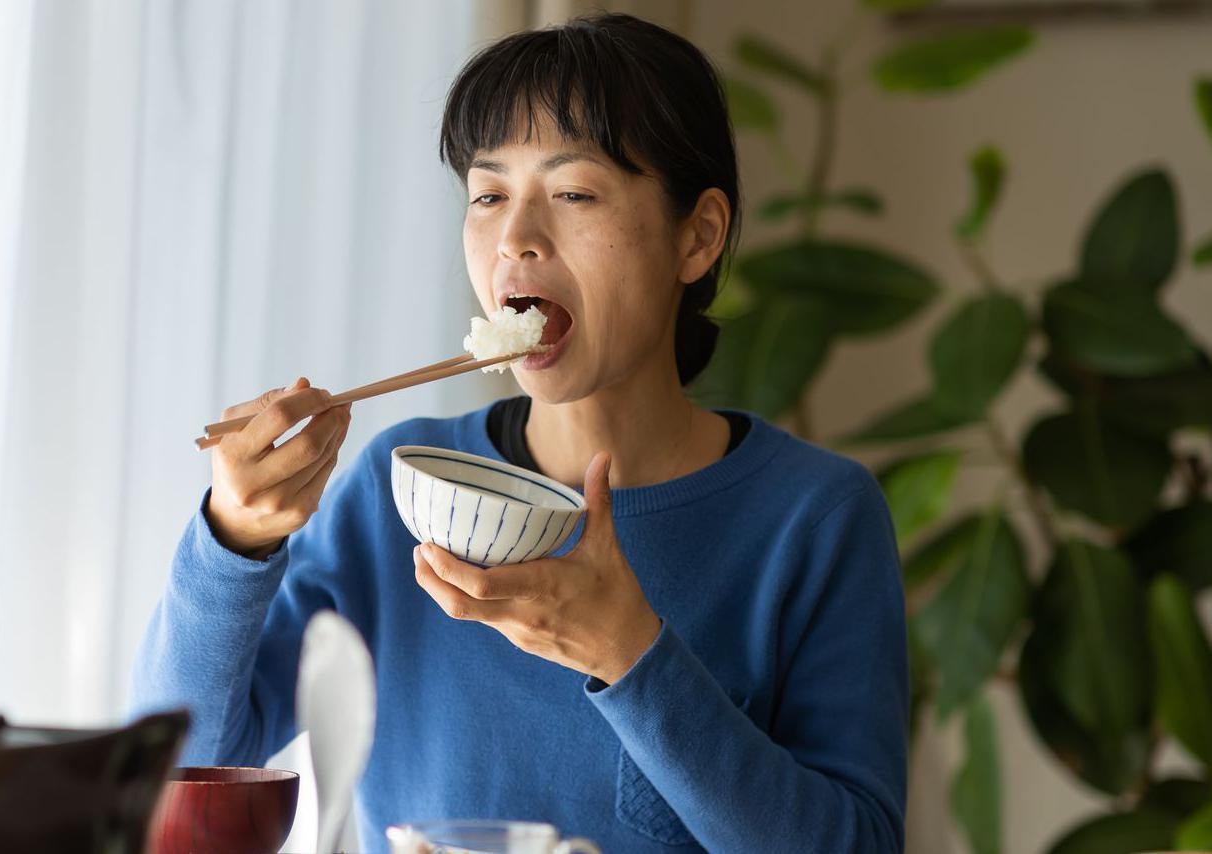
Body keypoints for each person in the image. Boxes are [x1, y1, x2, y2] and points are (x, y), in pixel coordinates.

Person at [130, 12, 907, 852]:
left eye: (573, 194)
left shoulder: (814, 517)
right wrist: (234, 540)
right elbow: (181, 765)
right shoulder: (402, 489)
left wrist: (630, 655)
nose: (516, 239)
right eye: (488, 196)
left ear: (698, 235)